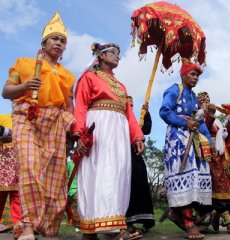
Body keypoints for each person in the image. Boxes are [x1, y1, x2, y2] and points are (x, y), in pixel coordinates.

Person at [2, 12, 75, 239]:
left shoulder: (68, 76)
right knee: (30, 166)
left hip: (55, 123)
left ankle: (47, 228)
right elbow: (6, 92)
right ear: (43, 42)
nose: (59, 43)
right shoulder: (24, 63)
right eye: (54, 38)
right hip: (28, 118)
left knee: (54, 179)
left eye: (62, 40)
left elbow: (69, 106)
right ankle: (27, 226)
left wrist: (72, 130)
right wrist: (25, 86)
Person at [72, 42, 144, 240]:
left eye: (119, 53)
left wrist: (137, 135)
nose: (118, 56)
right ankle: (99, 227)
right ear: (101, 55)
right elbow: (80, 107)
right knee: (98, 171)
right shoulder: (89, 77)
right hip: (99, 127)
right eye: (114, 52)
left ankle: (112, 223)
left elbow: (129, 113)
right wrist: (78, 134)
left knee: (118, 172)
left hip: (119, 130)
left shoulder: (121, 86)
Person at [159, 58, 213, 240]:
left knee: (196, 177)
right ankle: (188, 222)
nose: (195, 77)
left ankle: (177, 212)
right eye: (192, 74)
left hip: (193, 138)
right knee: (182, 175)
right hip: (177, 139)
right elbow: (164, 112)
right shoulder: (174, 89)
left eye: (197, 75)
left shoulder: (193, 96)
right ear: (183, 75)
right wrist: (185, 122)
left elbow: (200, 121)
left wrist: (209, 142)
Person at [197, 93, 230, 235]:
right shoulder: (198, 117)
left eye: (208, 100)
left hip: (220, 158)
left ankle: (219, 221)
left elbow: (225, 136)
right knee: (215, 189)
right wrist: (210, 114)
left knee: (222, 189)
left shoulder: (217, 121)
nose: (206, 103)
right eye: (203, 101)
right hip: (207, 156)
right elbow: (204, 128)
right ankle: (227, 222)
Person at [126, 97, 155, 234]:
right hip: (122, 160)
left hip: (136, 160)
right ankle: (125, 224)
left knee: (140, 187)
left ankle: (144, 221)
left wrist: (146, 114)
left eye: (132, 105)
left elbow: (146, 130)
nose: (129, 108)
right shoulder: (115, 121)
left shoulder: (136, 123)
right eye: (128, 105)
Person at [0, 114, 22, 238]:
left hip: (18, 160)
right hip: (2, 159)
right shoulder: (2, 117)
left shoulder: (27, 121)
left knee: (17, 195)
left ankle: (18, 226)